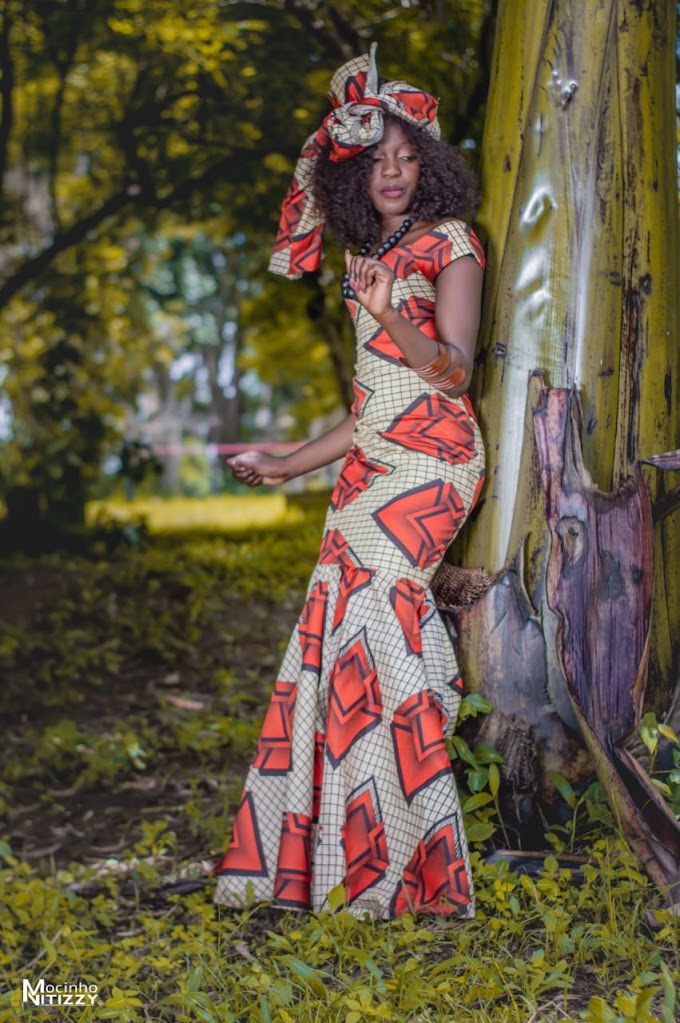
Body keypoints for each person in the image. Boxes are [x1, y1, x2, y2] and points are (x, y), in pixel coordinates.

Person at [213, 45, 485, 920]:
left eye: (407, 157)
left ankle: (406, 866)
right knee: (333, 639)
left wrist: (386, 313)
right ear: (353, 177)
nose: (393, 172)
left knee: (376, 622)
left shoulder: (452, 243)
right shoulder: (370, 253)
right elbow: (368, 405)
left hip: (435, 462)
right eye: (376, 161)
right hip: (370, 465)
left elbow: (454, 371)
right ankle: (329, 858)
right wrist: (286, 461)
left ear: (429, 165)